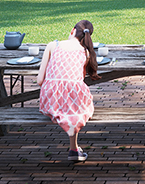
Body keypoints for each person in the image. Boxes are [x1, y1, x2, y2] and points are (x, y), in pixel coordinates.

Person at [38, 20, 99, 162]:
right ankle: (73, 147)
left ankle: (74, 148)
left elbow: (40, 80)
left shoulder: (53, 45)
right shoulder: (86, 52)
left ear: (72, 30)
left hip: (51, 100)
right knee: (74, 98)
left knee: (68, 98)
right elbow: (78, 79)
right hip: (72, 99)